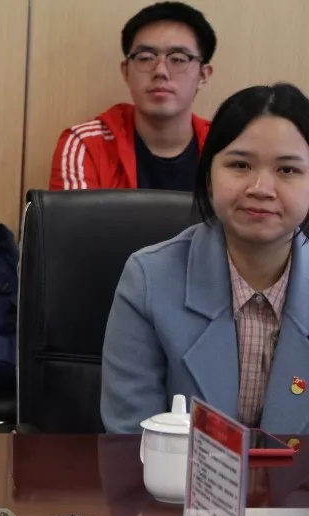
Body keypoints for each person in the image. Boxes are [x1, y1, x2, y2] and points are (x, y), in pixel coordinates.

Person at [101, 83, 309, 434]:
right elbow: (131, 439)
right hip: (171, 472)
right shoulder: (149, 280)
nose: (261, 188)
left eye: (287, 170)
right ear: (209, 177)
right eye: (240, 165)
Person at [49, 2, 215, 191]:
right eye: (146, 58)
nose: (160, 71)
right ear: (126, 72)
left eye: (178, 59)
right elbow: (75, 212)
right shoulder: (87, 145)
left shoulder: (224, 146)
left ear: (203, 75)